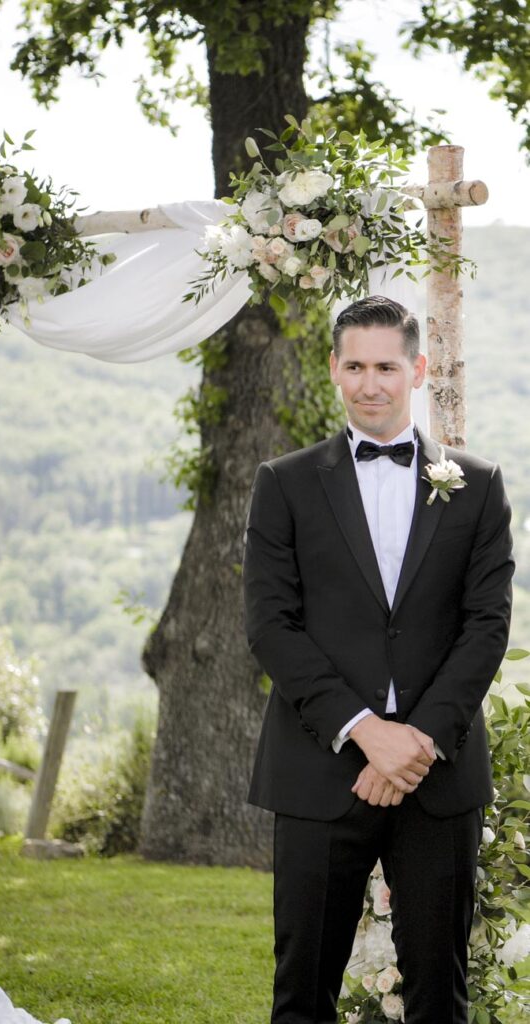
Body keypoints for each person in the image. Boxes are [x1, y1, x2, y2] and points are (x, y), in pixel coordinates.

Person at [242, 294, 514, 1024]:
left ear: (417, 369)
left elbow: (486, 627)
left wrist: (416, 741)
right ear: (334, 370)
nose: (371, 382)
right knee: (302, 996)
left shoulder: (479, 486)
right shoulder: (285, 484)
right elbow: (271, 626)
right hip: (318, 771)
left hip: (438, 776)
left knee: (439, 997)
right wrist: (368, 730)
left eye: (386, 366)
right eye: (355, 365)